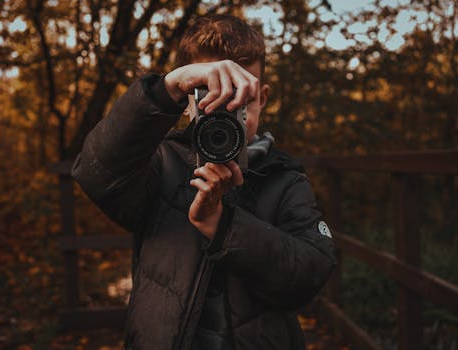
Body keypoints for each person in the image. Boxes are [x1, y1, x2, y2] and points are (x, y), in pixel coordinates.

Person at [72, 14, 336, 350]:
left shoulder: (283, 176)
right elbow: (97, 174)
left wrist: (223, 225)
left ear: (263, 97)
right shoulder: (159, 162)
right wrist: (167, 87)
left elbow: (311, 272)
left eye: (240, 97)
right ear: (186, 102)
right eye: (208, 94)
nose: (225, 111)